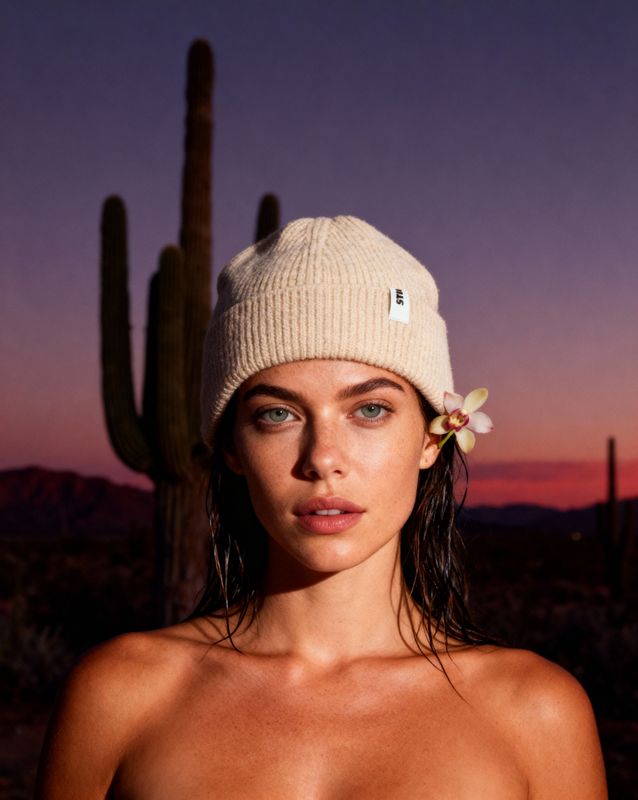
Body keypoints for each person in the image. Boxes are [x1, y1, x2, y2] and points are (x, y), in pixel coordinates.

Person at [36, 216, 607, 798]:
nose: (323, 458)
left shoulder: (536, 714)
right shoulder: (120, 694)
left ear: (433, 437)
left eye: (371, 410)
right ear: (232, 446)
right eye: (277, 415)